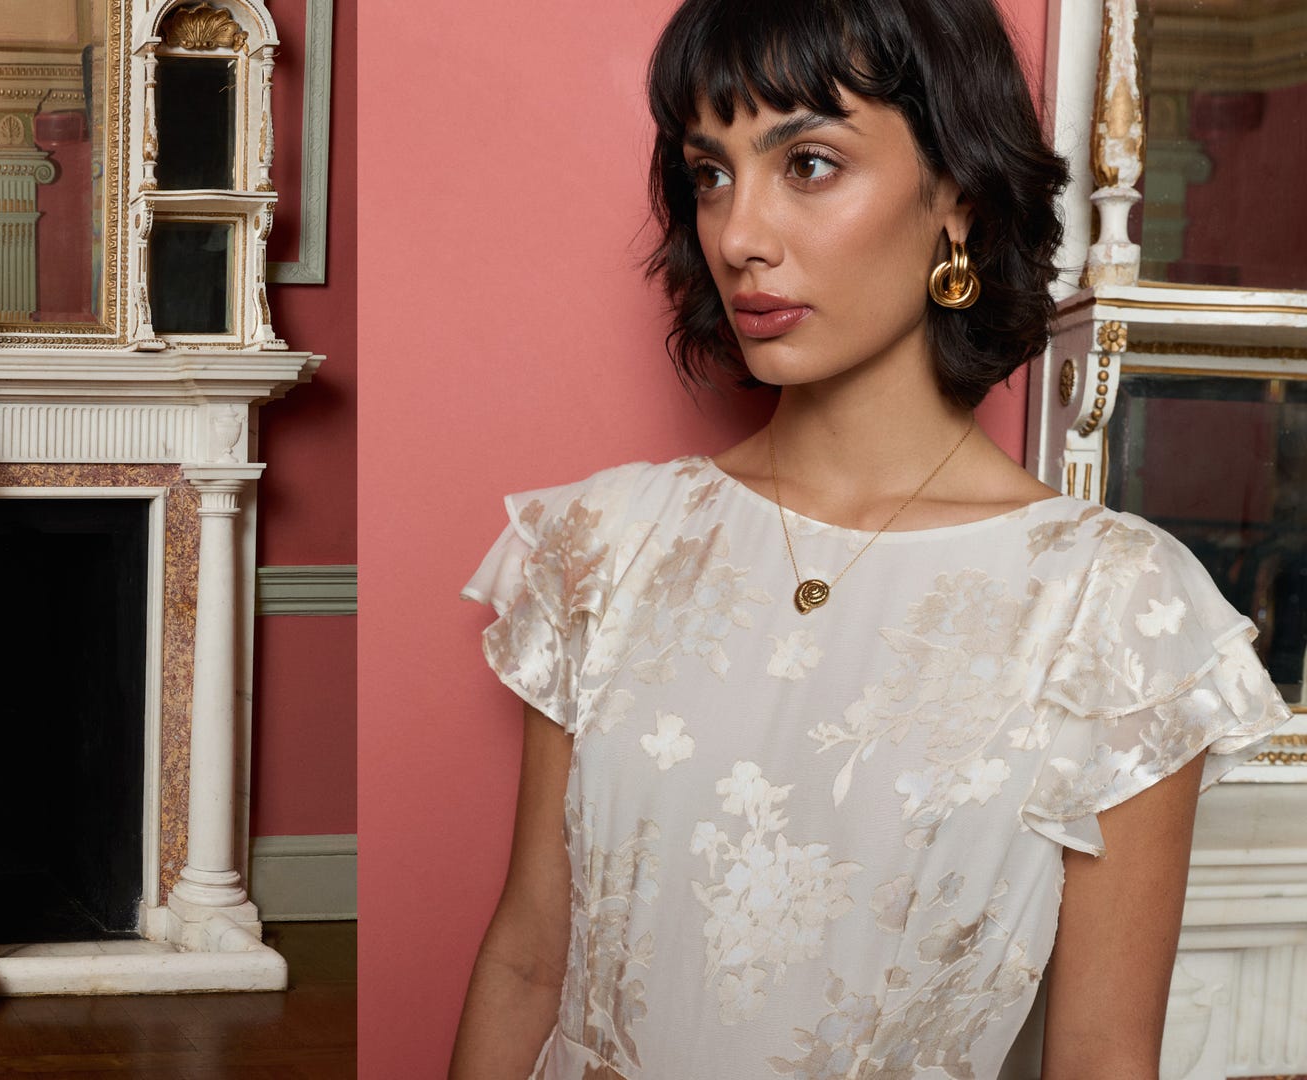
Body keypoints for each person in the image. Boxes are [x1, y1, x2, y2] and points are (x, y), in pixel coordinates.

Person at [447, 0, 1293, 1076]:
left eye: (806, 162)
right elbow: (528, 961)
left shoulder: (1112, 612)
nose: (739, 235)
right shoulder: (605, 547)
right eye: (711, 174)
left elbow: (1097, 1059)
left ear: (957, 197)